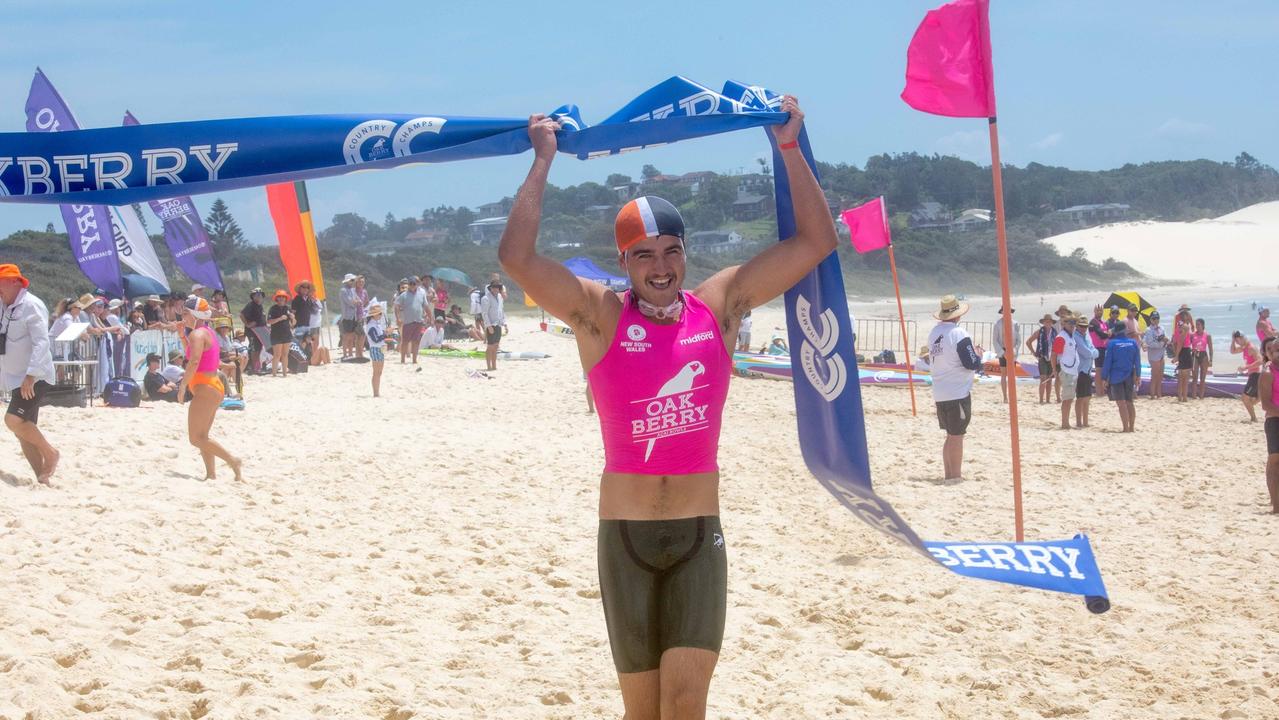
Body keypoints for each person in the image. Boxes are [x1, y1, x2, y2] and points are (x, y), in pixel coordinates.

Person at [498, 97, 834, 717]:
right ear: (624, 261)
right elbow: (516, 260)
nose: (660, 265)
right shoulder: (599, 316)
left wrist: (788, 145)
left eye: (671, 250)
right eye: (644, 254)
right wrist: (543, 159)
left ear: (685, 253)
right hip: (623, 539)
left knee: (685, 706)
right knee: (642, 712)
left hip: (697, 537)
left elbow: (817, 240)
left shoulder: (720, 306)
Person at [0, 264, 59, 486]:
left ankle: (50, 453)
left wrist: (31, 375)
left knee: (13, 420)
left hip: (34, 378)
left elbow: (41, 343)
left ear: (15, 282)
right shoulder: (4, 305)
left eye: (1, 283)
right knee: (22, 431)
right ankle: (42, 477)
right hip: (15, 377)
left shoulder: (32, 305)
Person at [176, 296, 242, 481]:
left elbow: (194, 361)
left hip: (205, 387)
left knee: (195, 438)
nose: (183, 316)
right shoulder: (206, 332)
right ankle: (211, 474)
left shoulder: (197, 334)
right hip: (212, 386)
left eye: (186, 313)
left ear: (196, 314)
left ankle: (232, 461)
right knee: (203, 436)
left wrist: (182, 387)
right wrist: (182, 336)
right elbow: (192, 353)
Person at [926, 295, 984, 477]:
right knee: (957, 436)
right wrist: (979, 356)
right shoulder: (959, 334)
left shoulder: (934, 333)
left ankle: (949, 474)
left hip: (940, 391)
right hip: (957, 391)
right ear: (958, 315)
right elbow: (971, 363)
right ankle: (955, 475)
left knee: (951, 435)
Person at [1102, 325, 1141, 433]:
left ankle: (1125, 428)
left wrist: (1104, 377)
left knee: (1121, 403)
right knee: (1129, 402)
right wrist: (1138, 375)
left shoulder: (1112, 344)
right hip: (1129, 375)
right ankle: (1132, 427)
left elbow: (1107, 362)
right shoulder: (1133, 343)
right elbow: (1137, 361)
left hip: (1116, 377)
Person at [1258, 336, 1279, 513]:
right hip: (1274, 420)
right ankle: (1276, 504)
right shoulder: (1267, 373)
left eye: (1275, 349)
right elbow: (1265, 404)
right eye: (1270, 350)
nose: (1273, 353)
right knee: (1274, 461)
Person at [1052, 314, 1081, 430]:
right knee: (1066, 398)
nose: (1073, 326)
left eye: (1074, 324)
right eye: (1070, 324)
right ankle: (1064, 423)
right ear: (1064, 324)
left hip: (1072, 369)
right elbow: (1054, 354)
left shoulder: (1071, 337)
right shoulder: (1061, 337)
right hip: (1066, 369)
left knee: (1070, 398)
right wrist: (1054, 370)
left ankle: (1066, 422)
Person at [1071, 314, 1098, 428]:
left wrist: (1092, 353)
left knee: (1087, 397)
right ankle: (1078, 422)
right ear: (1077, 326)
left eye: (1085, 326)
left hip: (1088, 369)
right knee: (1080, 397)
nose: (1083, 328)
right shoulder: (1076, 337)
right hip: (1080, 370)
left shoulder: (1087, 336)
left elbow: (1095, 351)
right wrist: (1092, 353)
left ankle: (1085, 422)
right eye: (1081, 326)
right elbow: (1086, 352)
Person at [395, 276, 428, 363]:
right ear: (408, 285)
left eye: (414, 284)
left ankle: (414, 360)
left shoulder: (421, 294)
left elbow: (426, 306)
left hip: (418, 321)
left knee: (416, 341)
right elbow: (396, 305)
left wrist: (431, 317)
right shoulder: (404, 295)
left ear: (417, 285)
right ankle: (402, 359)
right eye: (411, 284)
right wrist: (398, 318)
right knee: (405, 341)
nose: (412, 285)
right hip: (407, 321)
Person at [1232, 331, 1263, 422]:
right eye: (1236, 341)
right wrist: (1233, 341)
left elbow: (1260, 361)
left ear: (1242, 338)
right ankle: (1260, 398)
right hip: (1253, 375)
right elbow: (1232, 351)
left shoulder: (1251, 347)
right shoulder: (1244, 348)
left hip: (1256, 375)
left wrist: (1246, 367)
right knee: (1251, 399)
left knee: (1245, 398)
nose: (1237, 343)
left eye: (1238, 341)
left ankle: (1254, 418)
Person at [991, 306, 1020, 403]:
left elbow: (1018, 340)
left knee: (1012, 374)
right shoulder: (997, 324)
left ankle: (1012, 395)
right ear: (1002, 312)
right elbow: (995, 340)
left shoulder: (1015, 323)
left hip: (1012, 350)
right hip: (1002, 350)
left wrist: (1014, 350)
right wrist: (1003, 353)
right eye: (1005, 311)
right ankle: (1005, 397)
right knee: (1004, 374)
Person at [1026, 313, 1056, 404]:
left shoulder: (1055, 332)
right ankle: (1041, 400)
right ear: (1043, 323)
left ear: (1051, 322)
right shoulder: (1039, 332)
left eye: (1049, 322)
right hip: (1042, 357)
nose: (1048, 323)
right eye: (1046, 322)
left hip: (1051, 358)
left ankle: (1048, 400)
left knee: (1050, 380)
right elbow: (1028, 342)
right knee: (1043, 379)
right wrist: (1034, 353)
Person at [266, 290, 294, 377]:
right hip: (276, 334)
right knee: (277, 355)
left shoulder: (288, 308)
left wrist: (293, 318)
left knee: (285, 355)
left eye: (283, 297)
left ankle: (284, 373)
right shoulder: (273, 309)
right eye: (280, 297)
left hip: (287, 334)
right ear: (277, 298)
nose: (281, 298)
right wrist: (279, 318)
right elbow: (269, 322)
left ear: (286, 299)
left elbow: (293, 324)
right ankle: (274, 374)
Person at [239, 288, 268, 374]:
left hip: (261, 331)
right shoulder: (251, 305)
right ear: (253, 296)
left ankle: (257, 367)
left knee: (258, 349)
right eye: (257, 295)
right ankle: (254, 368)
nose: (259, 296)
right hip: (253, 331)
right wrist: (247, 324)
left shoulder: (260, 305)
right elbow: (241, 314)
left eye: (260, 295)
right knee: (254, 349)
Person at [1141, 311, 1168, 399]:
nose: (1156, 320)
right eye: (1154, 319)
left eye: (1157, 318)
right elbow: (1150, 344)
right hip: (1153, 355)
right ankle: (1152, 394)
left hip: (1161, 354)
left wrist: (1166, 341)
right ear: (1151, 319)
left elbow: (1165, 339)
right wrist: (1161, 343)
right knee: (1154, 375)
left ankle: (1159, 394)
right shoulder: (1148, 330)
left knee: (1160, 375)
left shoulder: (1162, 328)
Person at [479, 280, 505, 372]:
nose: (496, 289)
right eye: (494, 287)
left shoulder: (500, 297)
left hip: (498, 324)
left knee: (496, 346)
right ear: (491, 288)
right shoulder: (486, 298)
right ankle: (488, 366)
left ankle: (494, 366)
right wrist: (488, 326)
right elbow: (484, 314)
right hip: (491, 325)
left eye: (497, 287)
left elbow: (501, 310)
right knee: (490, 346)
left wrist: (504, 323)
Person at [1172, 305, 1194, 402]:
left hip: (1182, 349)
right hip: (1184, 350)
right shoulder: (1184, 326)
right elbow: (1181, 341)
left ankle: (1181, 397)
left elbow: (1176, 340)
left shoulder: (1179, 325)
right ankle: (1183, 397)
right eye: (1186, 313)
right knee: (1185, 375)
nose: (1188, 315)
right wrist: (1176, 355)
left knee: (1182, 375)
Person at [365, 302, 387, 397]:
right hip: (375, 348)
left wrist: (386, 333)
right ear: (374, 315)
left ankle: (377, 392)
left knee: (379, 372)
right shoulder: (371, 326)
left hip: (380, 348)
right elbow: (376, 339)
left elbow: (380, 338)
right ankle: (376, 393)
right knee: (376, 372)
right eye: (379, 313)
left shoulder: (376, 324)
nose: (381, 315)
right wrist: (386, 333)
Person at [1189, 318, 1212, 400]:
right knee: (1194, 377)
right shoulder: (1192, 335)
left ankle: (1201, 396)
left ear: (1203, 325)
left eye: (1199, 324)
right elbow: (1188, 345)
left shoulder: (1207, 335)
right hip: (1195, 355)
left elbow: (1210, 348)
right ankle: (1194, 396)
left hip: (1203, 355)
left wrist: (1211, 360)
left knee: (1203, 378)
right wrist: (1192, 350)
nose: (1197, 326)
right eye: (1196, 324)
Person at [339, 273, 360, 358]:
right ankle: (345, 354)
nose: (353, 282)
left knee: (352, 336)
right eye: (351, 280)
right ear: (347, 281)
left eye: (353, 280)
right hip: (347, 316)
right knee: (346, 336)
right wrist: (355, 302)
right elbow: (350, 302)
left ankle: (350, 354)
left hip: (353, 316)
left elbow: (358, 300)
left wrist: (356, 302)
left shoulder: (353, 290)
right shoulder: (343, 290)